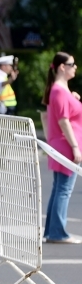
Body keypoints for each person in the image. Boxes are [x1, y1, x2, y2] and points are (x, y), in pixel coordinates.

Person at [42, 52, 82, 244]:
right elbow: (63, 121)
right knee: (64, 190)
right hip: (66, 145)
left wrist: (73, 97)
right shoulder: (58, 90)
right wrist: (75, 147)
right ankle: (57, 232)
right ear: (62, 67)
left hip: (62, 144)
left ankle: (52, 231)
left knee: (59, 189)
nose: (75, 67)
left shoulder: (61, 90)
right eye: (72, 64)